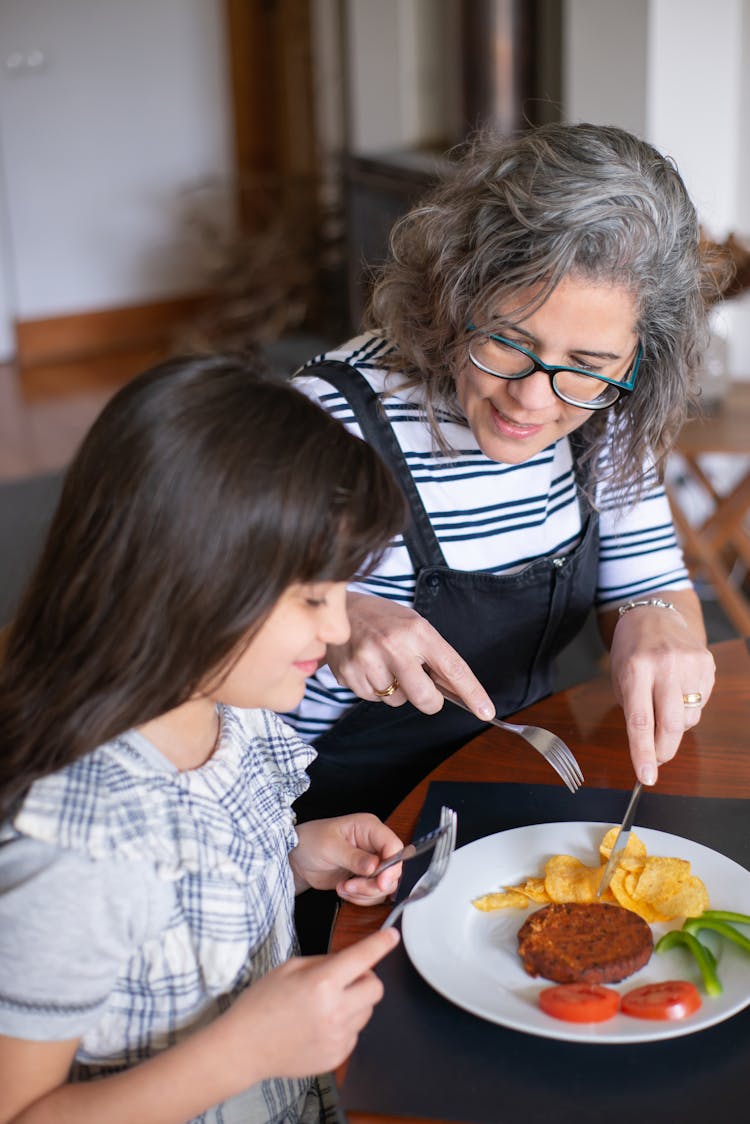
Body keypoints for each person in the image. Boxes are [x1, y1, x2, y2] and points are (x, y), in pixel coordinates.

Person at [0, 355, 409, 1124]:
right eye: (314, 596)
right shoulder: (79, 854)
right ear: (194, 580)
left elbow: (177, 923)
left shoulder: (224, 706)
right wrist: (247, 1052)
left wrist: (296, 856)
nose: (340, 627)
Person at [286, 121, 721, 827]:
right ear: (455, 297)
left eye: (587, 366)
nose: (534, 398)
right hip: (323, 816)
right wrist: (341, 613)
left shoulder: (609, 414)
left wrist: (659, 619)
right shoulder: (333, 419)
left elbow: (654, 585)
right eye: (508, 343)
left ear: (640, 359)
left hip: (514, 774)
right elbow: (199, 642)